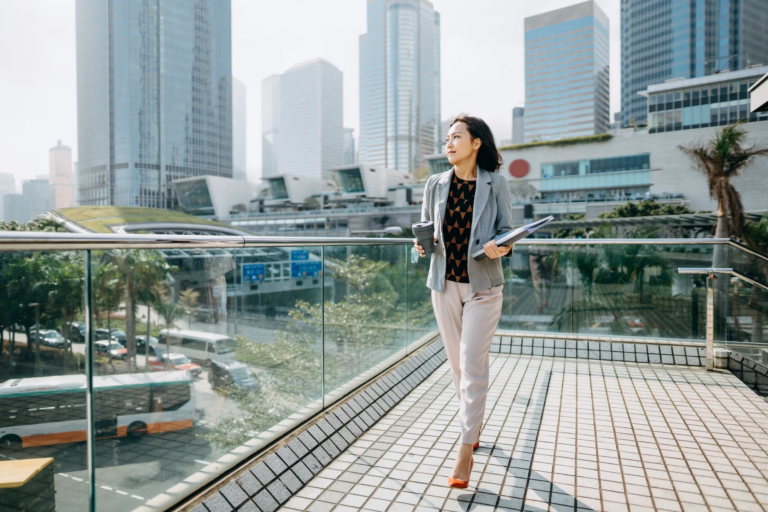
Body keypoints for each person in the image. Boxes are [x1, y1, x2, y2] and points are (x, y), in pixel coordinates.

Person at [413, 115, 513, 488]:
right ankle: (475, 424)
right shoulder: (435, 184)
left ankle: (465, 452)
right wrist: (423, 245)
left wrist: (500, 245)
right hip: (444, 286)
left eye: (457, 137)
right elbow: (427, 228)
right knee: (458, 369)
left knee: (473, 365)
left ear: (476, 144)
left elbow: (507, 231)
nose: (449, 144)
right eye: (447, 138)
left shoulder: (496, 184)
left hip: (483, 287)